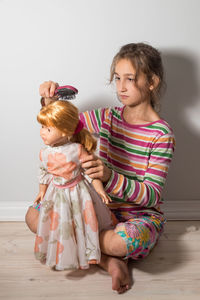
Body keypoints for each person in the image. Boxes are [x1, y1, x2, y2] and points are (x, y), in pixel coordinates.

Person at [26, 42, 175, 293]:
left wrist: (109, 176)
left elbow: (152, 195)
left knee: (121, 242)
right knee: (32, 217)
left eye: (130, 79)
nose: (121, 86)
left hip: (136, 216)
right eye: (117, 78)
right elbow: (64, 127)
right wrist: (48, 101)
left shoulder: (161, 134)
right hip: (93, 208)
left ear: (152, 82)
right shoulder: (108, 117)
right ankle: (108, 261)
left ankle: (98, 249)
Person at [33, 100, 113, 270]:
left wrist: (99, 190)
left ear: (65, 131)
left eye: (48, 129)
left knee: (80, 221)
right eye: (42, 127)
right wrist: (41, 191)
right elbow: (44, 173)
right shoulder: (44, 153)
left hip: (78, 193)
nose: (42, 133)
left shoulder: (76, 149)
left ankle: (86, 252)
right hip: (56, 194)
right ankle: (61, 254)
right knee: (59, 224)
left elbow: (90, 170)